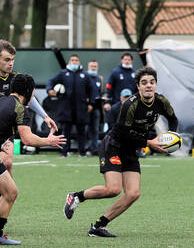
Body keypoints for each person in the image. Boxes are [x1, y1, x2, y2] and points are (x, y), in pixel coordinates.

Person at [63, 66, 178, 237]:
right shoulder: (130, 104)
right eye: (144, 83)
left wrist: (172, 137)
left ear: (156, 85)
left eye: (152, 82)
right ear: (138, 86)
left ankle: (98, 226)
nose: (148, 86)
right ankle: (77, 196)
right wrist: (149, 143)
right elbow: (124, 133)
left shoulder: (161, 102)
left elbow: (173, 119)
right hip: (114, 146)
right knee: (113, 189)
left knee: (133, 193)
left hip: (131, 149)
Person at [0, 74, 66, 245]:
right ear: (29, 91)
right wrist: (49, 141)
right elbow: (27, 139)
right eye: (32, 91)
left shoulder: (1, 101)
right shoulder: (19, 108)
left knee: (10, 192)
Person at [0, 39, 58, 213]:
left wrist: (45, 116)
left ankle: (2, 203)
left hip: (5, 132)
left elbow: (30, 98)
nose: (10, 63)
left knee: (7, 162)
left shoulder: (16, 78)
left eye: (12, 59)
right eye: (6, 59)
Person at [46, 54, 95, 157]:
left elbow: (92, 90)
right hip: (66, 108)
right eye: (72, 60)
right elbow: (51, 81)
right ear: (69, 61)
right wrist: (49, 89)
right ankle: (64, 152)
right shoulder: (63, 73)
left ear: (79, 62)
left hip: (81, 108)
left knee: (81, 131)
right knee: (65, 132)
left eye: (76, 60)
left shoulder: (84, 75)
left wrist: (91, 103)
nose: (74, 62)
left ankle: (82, 152)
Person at [86, 60, 103, 156]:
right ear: (88, 67)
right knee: (86, 128)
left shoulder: (99, 79)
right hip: (87, 107)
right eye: (92, 66)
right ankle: (86, 148)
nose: (93, 68)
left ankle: (94, 149)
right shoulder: (85, 77)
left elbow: (100, 92)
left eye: (95, 66)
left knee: (95, 129)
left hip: (97, 107)